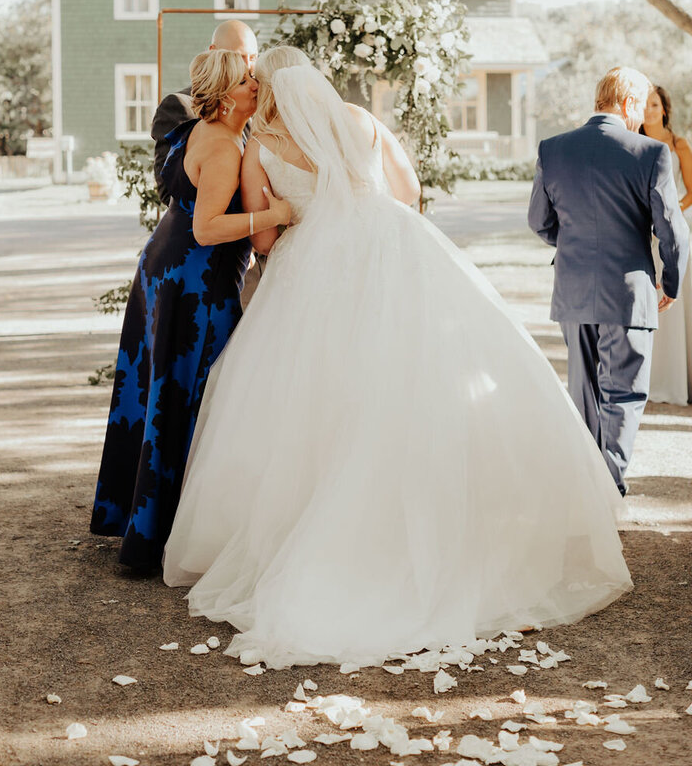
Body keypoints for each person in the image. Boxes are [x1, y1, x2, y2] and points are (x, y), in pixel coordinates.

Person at [163, 46, 632, 670]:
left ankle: (317, 534)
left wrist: (307, 220)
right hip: (392, 247)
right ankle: (431, 531)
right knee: (408, 383)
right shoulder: (358, 119)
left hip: (312, 270)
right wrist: (365, 219)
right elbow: (407, 189)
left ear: (270, 88)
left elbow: (266, 238)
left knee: (317, 400)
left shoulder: (261, 145)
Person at [91, 50, 290, 571]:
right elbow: (207, 229)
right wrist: (275, 214)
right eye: (248, 81)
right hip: (194, 283)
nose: (256, 86)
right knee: (199, 391)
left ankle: (154, 524)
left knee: (166, 390)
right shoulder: (223, 145)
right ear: (226, 96)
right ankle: (166, 531)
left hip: (167, 269)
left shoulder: (203, 130)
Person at [528, 67, 688, 494]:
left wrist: (578, 248)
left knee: (585, 392)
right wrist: (670, 283)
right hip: (628, 292)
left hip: (573, 290)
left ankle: (587, 483)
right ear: (628, 103)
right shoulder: (652, 154)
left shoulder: (552, 149)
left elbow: (539, 222)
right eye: (640, 109)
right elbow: (673, 230)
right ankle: (608, 487)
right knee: (625, 393)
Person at [151, 20, 259, 203]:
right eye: (239, 57)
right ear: (213, 51)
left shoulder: (250, 106)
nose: (248, 66)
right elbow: (169, 191)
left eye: (253, 57)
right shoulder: (179, 106)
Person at [641, 85, 692, 404]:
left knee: (673, 299)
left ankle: (674, 380)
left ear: (665, 109)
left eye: (655, 104)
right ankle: (647, 377)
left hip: (672, 231)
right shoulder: (633, 143)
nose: (649, 109)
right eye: (644, 104)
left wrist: (669, 217)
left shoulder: (679, 145)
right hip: (641, 233)